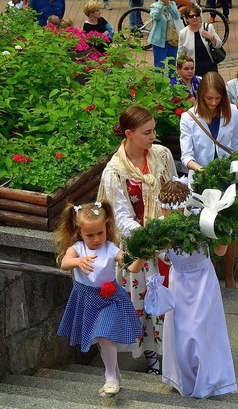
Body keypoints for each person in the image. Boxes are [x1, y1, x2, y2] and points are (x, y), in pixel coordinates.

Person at [128, 181, 237, 398]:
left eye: (177, 209)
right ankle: (184, 379)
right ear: (161, 208)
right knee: (181, 332)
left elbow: (221, 251)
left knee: (200, 330)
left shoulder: (202, 221)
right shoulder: (160, 228)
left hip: (203, 282)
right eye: (167, 209)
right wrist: (139, 254)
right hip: (179, 283)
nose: (171, 213)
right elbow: (138, 262)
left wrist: (223, 230)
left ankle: (207, 379)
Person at [98, 106, 176, 375]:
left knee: (171, 300)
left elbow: (174, 190)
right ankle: (153, 356)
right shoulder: (114, 171)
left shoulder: (162, 155)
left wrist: (169, 224)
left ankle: (174, 352)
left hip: (166, 243)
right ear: (129, 134)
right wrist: (149, 236)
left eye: (153, 130)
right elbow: (118, 217)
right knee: (144, 305)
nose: (153, 136)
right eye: (148, 132)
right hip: (139, 248)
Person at [180, 73, 238, 289]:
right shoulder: (189, 118)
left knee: (229, 229)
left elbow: (235, 143)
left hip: (225, 180)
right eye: (209, 99)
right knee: (206, 228)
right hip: (202, 181)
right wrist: (201, 169)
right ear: (201, 96)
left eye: (217, 98)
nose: (214, 103)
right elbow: (186, 156)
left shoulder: (232, 111)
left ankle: (230, 276)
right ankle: (211, 274)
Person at [55, 201, 141, 396]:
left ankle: (110, 376)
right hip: (86, 299)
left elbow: (132, 266)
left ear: (106, 227)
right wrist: (78, 261)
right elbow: (65, 263)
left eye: (100, 233)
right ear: (79, 232)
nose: (96, 239)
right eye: (90, 235)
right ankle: (115, 373)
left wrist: (143, 255)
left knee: (104, 334)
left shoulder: (110, 248)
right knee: (102, 341)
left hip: (109, 298)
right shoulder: (77, 248)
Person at [178, 5, 223, 77]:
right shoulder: (183, 33)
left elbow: (219, 44)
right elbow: (180, 53)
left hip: (210, 65)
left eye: (196, 15)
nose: (194, 18)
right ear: (187, 19)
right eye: (191, 16)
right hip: (194, 68)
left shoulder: (208, 27)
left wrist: (211, 37)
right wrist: (179, 69)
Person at [148, 0, 180, 73]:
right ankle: (159, 84)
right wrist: (161, 3)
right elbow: (156, 17)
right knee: (159, 65)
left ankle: (172, 84)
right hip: (159, 41)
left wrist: (169, 5)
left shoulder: (172, 4)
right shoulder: (154, 6)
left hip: (172, 39)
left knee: (173, 64)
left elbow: (176, 16)